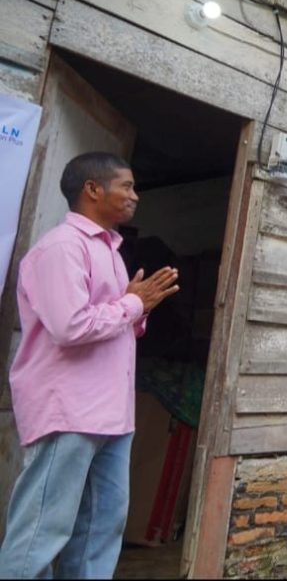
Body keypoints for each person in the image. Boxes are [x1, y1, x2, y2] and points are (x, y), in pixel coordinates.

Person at [0, 151, 179, 578]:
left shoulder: (110, 252)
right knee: (42, 531)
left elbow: (114, 325)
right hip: (69, 412)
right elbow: (70, 326)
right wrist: (133, 303)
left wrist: (134, 309)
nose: (135, 195)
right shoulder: (61, 249)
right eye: (127, 186)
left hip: (112, 415)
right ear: (93, 190)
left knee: (101, 531)